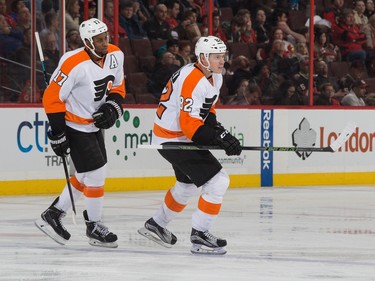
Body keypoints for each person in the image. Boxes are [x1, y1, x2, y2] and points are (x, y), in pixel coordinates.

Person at [138, 36, 242, 255]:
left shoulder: (214, 77)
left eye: (223, 56)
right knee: (218, 181)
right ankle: (200, 234)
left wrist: (220, 132)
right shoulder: (192, 79)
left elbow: (207, 110)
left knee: (186, 187)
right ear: (203, 58)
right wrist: (218, 139)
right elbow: (190, 128)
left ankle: (156, 224)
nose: (222, 61)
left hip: (177, 137)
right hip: (172, 139)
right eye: (217, 57)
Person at [35, 18, 126, 248]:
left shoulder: (116, 55)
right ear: (87, 42)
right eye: (99, 39)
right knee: (96, 172)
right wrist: (58, 132)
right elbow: (52, 98)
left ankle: (53, 214)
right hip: (74, 125)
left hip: (94, 125)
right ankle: (94, 225)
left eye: (106, 37)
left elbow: (118, 86)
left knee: (86, 174)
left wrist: (112, 107)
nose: (105, 42)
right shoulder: (72, 62)